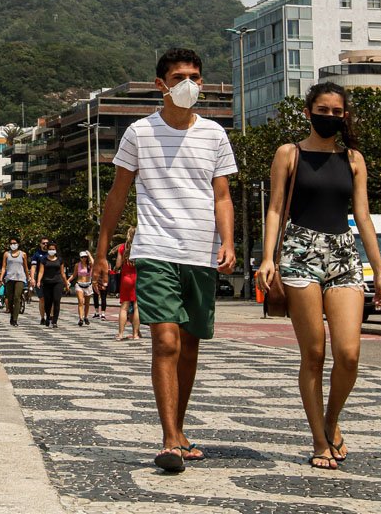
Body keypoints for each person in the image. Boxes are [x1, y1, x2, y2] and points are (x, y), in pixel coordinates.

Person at [94, 48, 237, 474]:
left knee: (190, 345)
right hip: (156, 249)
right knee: (166, 342)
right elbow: (118, 194)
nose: (188, 84)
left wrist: (228, 241)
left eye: (195, 76)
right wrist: (103, 251)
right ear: (161, 84)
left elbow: (223, 195)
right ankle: (169, 437)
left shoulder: (215, 134)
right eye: (178, 77)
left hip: (201, 252)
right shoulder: (139, 132)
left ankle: (179, 428)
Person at [256, 82, 381, 471]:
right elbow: (276, 209)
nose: (329, 117)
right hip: (299, 254)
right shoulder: (289, 154)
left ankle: (332, 420)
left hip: (343, 254)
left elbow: (363, 216)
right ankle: (319, 439)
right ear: (307, 111)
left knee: (348, 353)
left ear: (344, 115)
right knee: (313, 354)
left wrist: (378, 269)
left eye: (336, 112)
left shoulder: (354, 159)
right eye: (322, 110)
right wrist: (269, 258)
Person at [115, 228, 141, 340]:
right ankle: (135, 334)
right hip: (137, 277)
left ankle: (120, 334)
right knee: (136, 306)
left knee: (124, 307)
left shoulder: (122, 248)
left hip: (126, 278)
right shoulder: (140, 248)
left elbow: (118, 264)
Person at [0, 238, 30, 326]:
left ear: (18, 244)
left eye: (15, 243)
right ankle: (12, 315)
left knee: (17, 297)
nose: (13, 245)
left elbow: (25, 267)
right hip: (9, 278)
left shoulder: (23, 254)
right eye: (11, 243)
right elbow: (4, 267)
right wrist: (1, 277)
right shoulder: (6, 254)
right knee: (10, 299)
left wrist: (29, 278)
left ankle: (15, 319)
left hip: (20, 278)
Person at [34, 243, 66, 327]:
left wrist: (66, 283)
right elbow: (41, 271)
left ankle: (55, 321)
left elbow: (63, 273)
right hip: (47, 282)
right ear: (48, 250)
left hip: (58, 282)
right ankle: (48, 316)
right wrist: (38, 281)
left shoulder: (60, 260)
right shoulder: (44, 260)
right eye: (50, 249)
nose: (52, 251)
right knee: (48, 302)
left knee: (56, 301)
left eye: (53, 249)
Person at [74, 252, 94, 326]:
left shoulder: (89, 265)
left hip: (88, 285)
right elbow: (74, 275)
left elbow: (93, 262)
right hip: (79, 284)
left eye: (85, 257)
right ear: (80, 258)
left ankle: (85, 317)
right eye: (82, 257)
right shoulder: (77, 265)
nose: (84, 258)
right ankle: (81, 318)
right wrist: (67, 281)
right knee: (80, 301)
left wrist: (89, 254)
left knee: (87, 303)